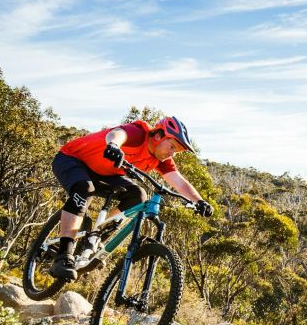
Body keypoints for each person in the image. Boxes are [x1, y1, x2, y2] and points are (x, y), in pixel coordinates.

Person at [49, 116, 213, 280]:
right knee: (85, 189)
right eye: (171, 146)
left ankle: (95, 237)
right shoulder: (139, 134)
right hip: (71, 159)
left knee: (138, 195)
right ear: (158, 136)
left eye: (175, 151)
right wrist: (113, 145)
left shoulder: (160, 159)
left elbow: (179, 182)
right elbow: (117, 134)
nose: (171, 153)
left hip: (104, 173)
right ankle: (62, 257)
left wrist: (199, 201)